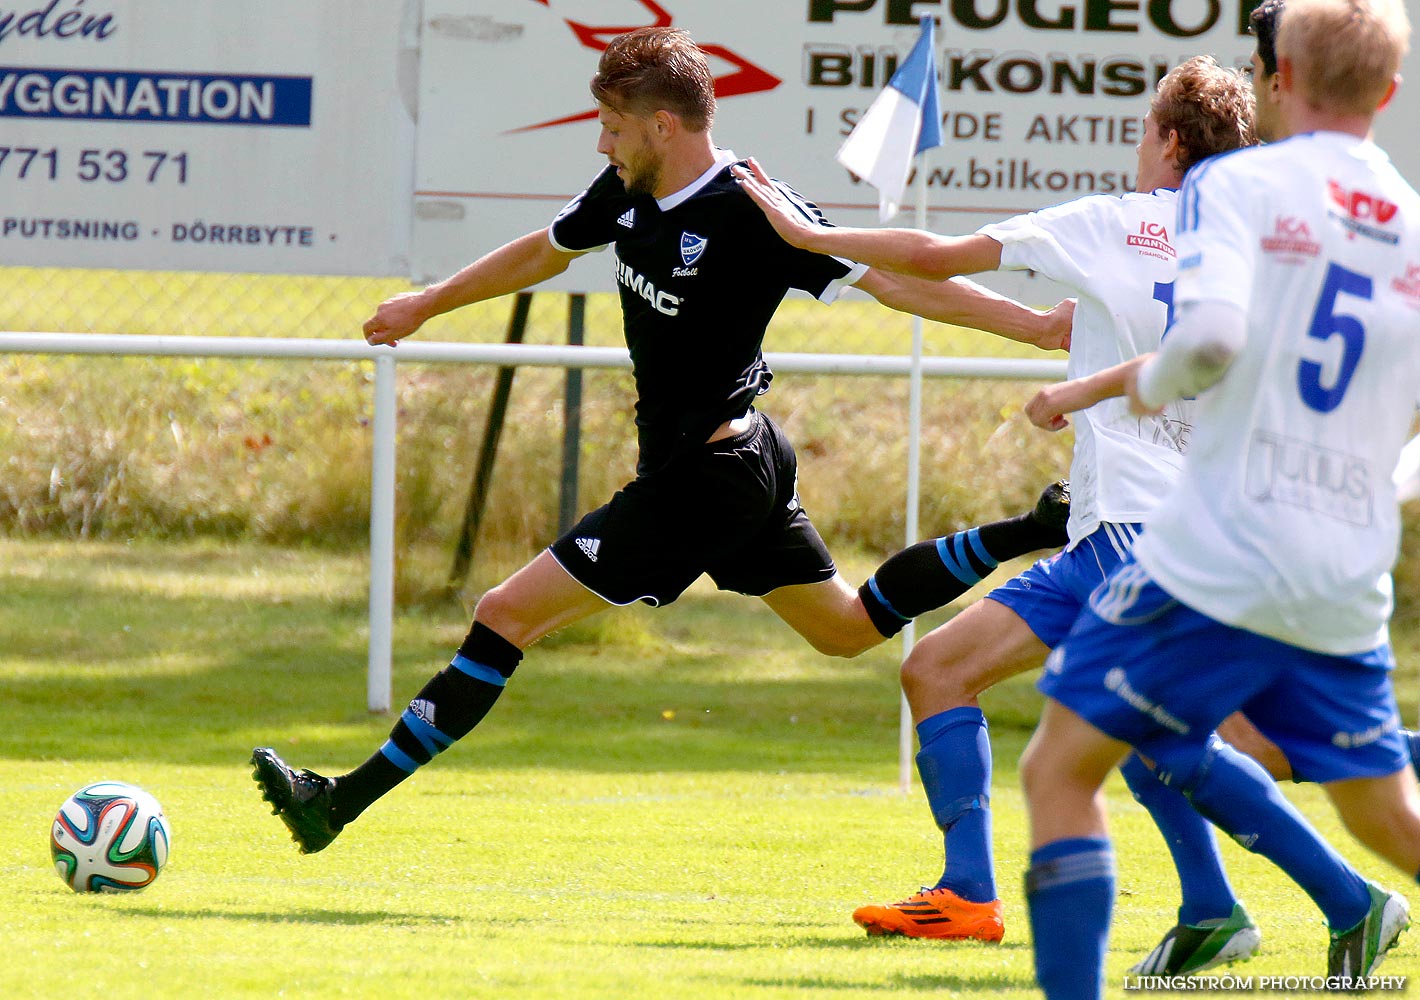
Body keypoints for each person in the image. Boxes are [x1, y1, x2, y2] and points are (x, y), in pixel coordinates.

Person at [247, 26, 1073, 856]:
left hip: (705, 477)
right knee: (848, 629)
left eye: (612, 124)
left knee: (504, 615)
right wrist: (430, 301)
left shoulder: (755, 210)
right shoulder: (624, 189)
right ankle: (1034, 530)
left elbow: (894, 281)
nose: (602, 141)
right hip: (734, 465)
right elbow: (541, 251)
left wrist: (1035, 326)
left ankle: (339, 803)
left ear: (662, 127)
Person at [734, 55, 1275, 949]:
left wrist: (806, 235)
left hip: (1134, 532)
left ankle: (1326, 891)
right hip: (1208, 529)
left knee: (1233, 739)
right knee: (946, 671)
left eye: (1145, 128)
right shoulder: (1250, 253)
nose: (1140, 144)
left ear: (1171, 141)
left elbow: (938, 257)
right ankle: (990, 894)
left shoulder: (1114, 224)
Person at [1018, 0, 1416, 993]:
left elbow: (1205, 343)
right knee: (1382, 816)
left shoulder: (1238, 186)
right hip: (1343, 567)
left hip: (1222, 548)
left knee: (1059, 767)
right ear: (1390, 92)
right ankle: (1238, 907)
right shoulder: (1408, 221)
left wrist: (1119, 387)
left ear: (1278, 73)